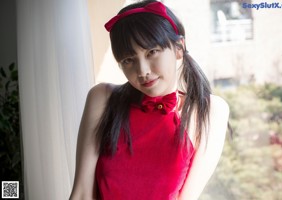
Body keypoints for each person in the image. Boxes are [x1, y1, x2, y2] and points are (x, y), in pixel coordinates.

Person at [69, 0, 229, 199]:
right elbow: (82, 193)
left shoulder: (210, 110)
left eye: (151, 52)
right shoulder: (102, 98)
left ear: (179, 48)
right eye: (128, 60)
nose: (142, 71)